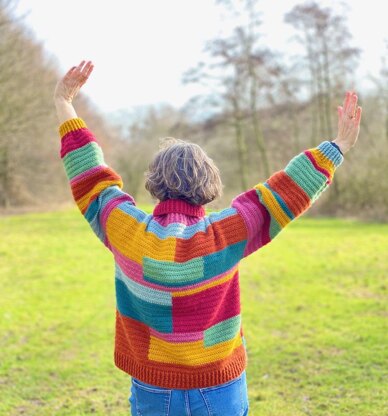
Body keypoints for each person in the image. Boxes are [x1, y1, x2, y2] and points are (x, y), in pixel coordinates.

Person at [54, 61, 361, 416]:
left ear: (155, 182)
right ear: (208, 185)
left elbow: (91, 177)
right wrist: (336, 147)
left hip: (154, 389)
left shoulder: (127, 232)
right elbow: (283, 193)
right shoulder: (224, 234)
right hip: (220, 388)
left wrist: (64, 103)